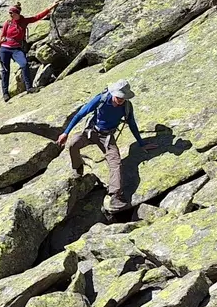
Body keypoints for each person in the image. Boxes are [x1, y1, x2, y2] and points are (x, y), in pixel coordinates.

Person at [57, 79, 158, 215]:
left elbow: (132, 124)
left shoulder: (127, 107)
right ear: (113, 93)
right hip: (91, 131)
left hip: (107, 138)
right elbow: (81, 114)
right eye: (118, 97)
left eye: (123, 98)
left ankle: (116, 196)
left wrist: (141, 143)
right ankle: (78, 166)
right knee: (73, 144)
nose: (120, 100)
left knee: (116, 163)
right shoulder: (101, 99)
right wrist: (66, 132)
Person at [0, 1, 57, 101]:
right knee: (5, 70)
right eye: (10, 13)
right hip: (4, 49)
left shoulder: (24, 21)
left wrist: (50, 8)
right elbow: (2, 36)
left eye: (12, 13)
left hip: (16, 48)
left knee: (24, 64)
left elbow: (37, 17)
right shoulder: (8, 23)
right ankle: (5, 93)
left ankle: (29, 88)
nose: (11, 15)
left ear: (17, 13)